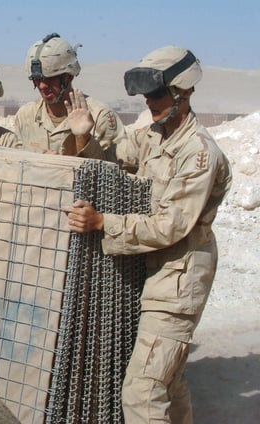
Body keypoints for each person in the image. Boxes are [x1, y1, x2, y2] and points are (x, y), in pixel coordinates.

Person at [65, 46, 232, 423]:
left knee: (142, 392)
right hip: (154, 271)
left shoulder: (200, 153)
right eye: (147, 96)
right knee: (168, 383)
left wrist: (102, 223)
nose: (150, 103)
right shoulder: (154, 136)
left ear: (183, 93)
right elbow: (111, 157)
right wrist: (83, 137)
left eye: (157, 95)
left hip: (180, 279)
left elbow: (170, 224)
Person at [15, 33, 124, 160]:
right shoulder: (26, 116)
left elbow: (114, 173)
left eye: (50, 78)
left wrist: (83, 139)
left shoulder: (100, 116)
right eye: (37, 79)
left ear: (69, 76)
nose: (42, 85)